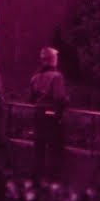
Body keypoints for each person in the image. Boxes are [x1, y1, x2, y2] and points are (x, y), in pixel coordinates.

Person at [29, 46, 68, 181]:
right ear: (52, 60)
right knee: (54, 147)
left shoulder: (35, 77)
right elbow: (59, 97)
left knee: (38, 146)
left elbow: (31, 98)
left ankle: (36, 177)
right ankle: (53, 179)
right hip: (51, 114)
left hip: (38, 113)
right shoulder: (57, 77)